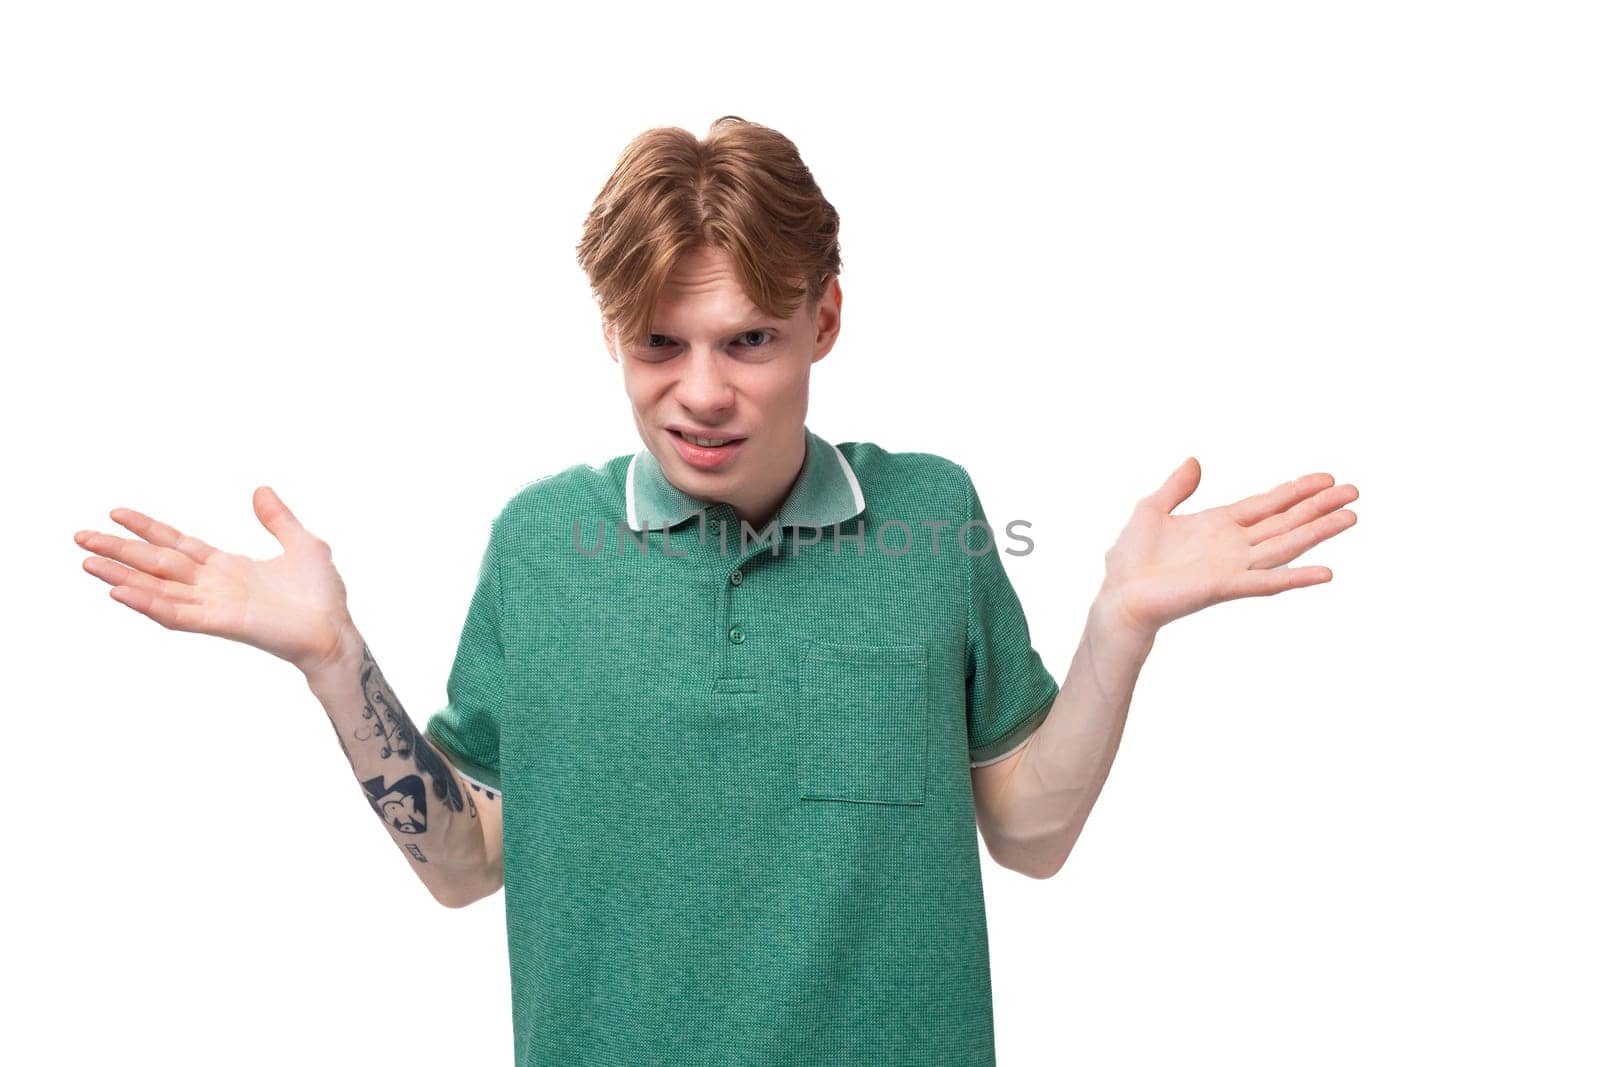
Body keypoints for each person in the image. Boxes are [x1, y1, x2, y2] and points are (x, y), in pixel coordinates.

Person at [72, 115, 1359, 1066]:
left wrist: (1117, 628)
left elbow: (1027, 834)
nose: (700, 391)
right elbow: (467, 864)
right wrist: (331, 656)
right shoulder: (538, 543)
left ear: (825, 320)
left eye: (748, 338)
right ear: (612, 333)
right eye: (658, 343)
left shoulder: (931, 516)